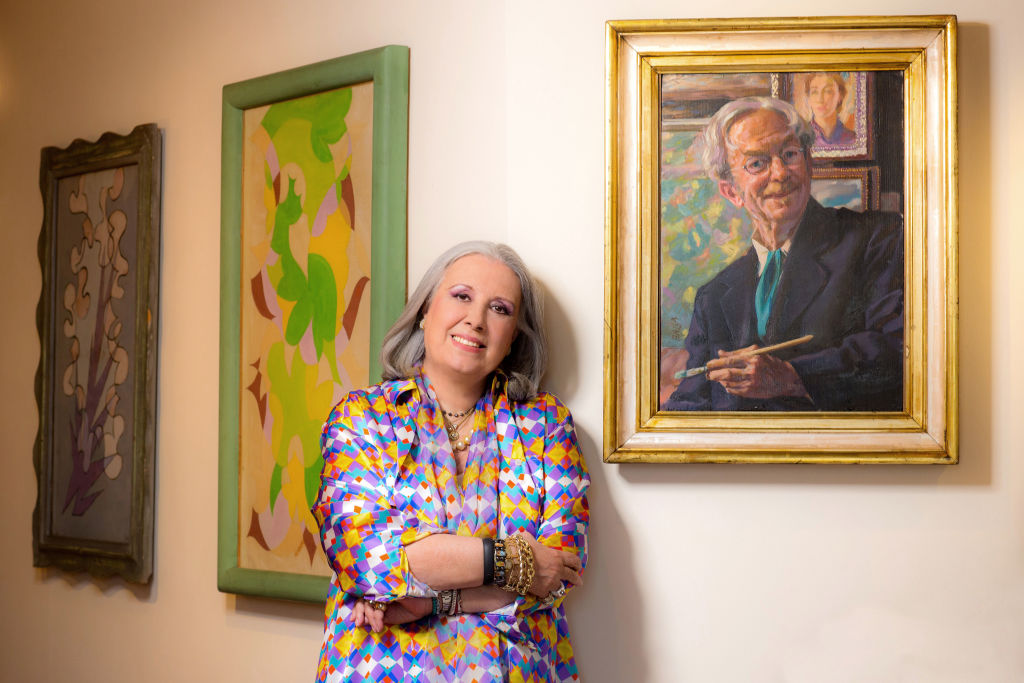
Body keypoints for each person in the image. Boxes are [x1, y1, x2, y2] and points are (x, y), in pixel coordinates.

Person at [312, 241, 590, 682]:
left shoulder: (546, 425)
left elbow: (557, 572)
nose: (476, 319)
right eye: (461, 296)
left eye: (499, 308)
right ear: (425, 309)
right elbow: (367, 559)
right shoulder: (361, 418)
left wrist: (429, 599)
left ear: (514, 336)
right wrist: (514, 561)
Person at [662, 97, 903, 412]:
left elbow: (900, 350)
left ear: (809, 163)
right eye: (757, 163)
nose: (780, 173)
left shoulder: (877, 239)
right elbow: (692, 403)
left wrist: (792, 377)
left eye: (789, 154)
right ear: (731, 191)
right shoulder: (713, 297)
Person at [805, 72, 856, 146]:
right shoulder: (801, 138)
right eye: (814, 92)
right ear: (808, 98)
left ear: (840, 96)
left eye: (828, 91)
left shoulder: (852, 140)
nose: (820, 99)